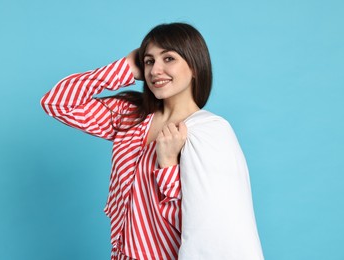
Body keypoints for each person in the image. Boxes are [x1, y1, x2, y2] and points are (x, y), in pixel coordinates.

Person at [41, 22, 264, 260]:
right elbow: (58, 103)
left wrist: (167, 165)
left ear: (195, 66)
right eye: (149, 61)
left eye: (168, 59)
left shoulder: (208, 131)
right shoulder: (131, 117)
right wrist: (124, 68)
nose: (155, 70)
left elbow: (208, 224)